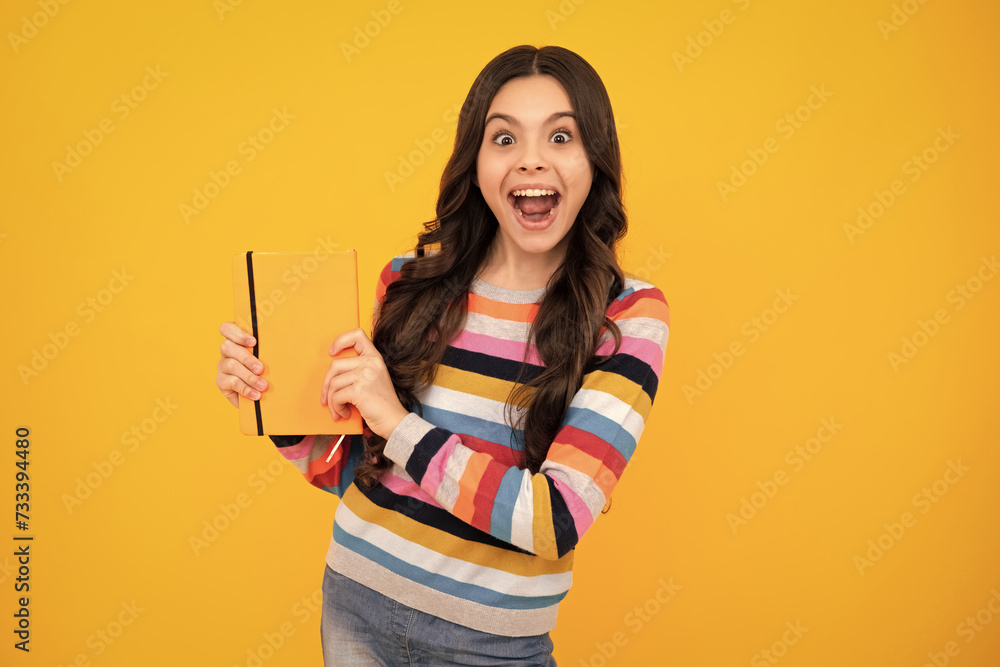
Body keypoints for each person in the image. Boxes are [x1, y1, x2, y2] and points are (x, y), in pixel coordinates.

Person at [215, 44, 670, 666]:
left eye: (561, 136)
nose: (531, 160)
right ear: (476, 162)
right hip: (354, 607)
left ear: (595, 157)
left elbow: (554, 520)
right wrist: (273, 400)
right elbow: (357, 470)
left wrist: (399, 423)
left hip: (491, 648)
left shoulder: (627, 314)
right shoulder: (410, 283)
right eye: (503, 139)